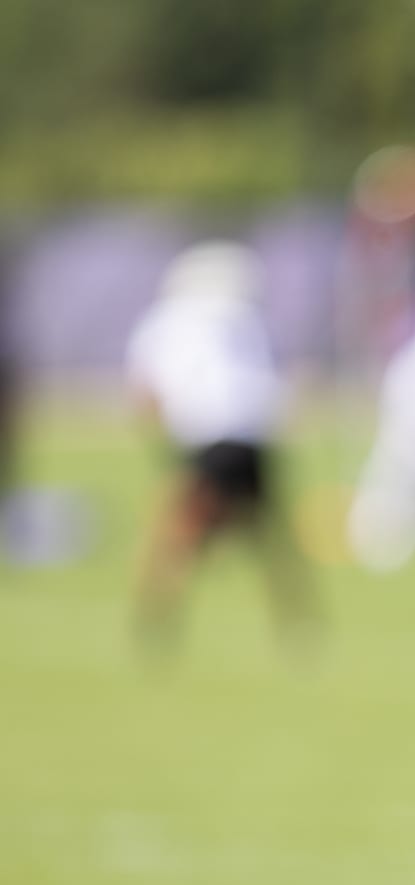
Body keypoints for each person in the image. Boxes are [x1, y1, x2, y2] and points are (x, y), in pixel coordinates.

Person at [127, 240, 316, 653]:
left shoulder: (164, 321)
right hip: (252, 433)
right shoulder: (246, 317)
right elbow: (272, 379)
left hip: (206, 433)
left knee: (180, 531)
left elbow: (148, 393)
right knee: (269, 535)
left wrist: (167, 448)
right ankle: (300, 626)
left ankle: (154, 625)